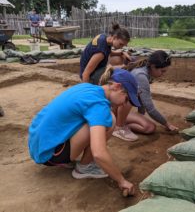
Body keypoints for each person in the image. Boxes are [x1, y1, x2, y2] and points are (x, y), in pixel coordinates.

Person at [28, 68, 140, 196]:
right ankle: (84, 168)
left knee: (99, 119)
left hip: (38, 144)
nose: (124, 104)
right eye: (126, 99)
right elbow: (99, 153)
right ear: (117, 86)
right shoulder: (98, 105)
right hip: (50, 155)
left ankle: (69, 159)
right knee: (110, 119)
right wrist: (122, 180)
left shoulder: (87, 87)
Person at [112, 50, 179, 142]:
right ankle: (118, 128)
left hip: (115, 109)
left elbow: (141, 97)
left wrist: (141, 114)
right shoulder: (141, 75)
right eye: (162, 71)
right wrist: (166, 124)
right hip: (111, 109)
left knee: (149, 128)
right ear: (153, 66)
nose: (163, 74)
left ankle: (115, 124)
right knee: (128, 99)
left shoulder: (145, 70)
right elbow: (150, 108)